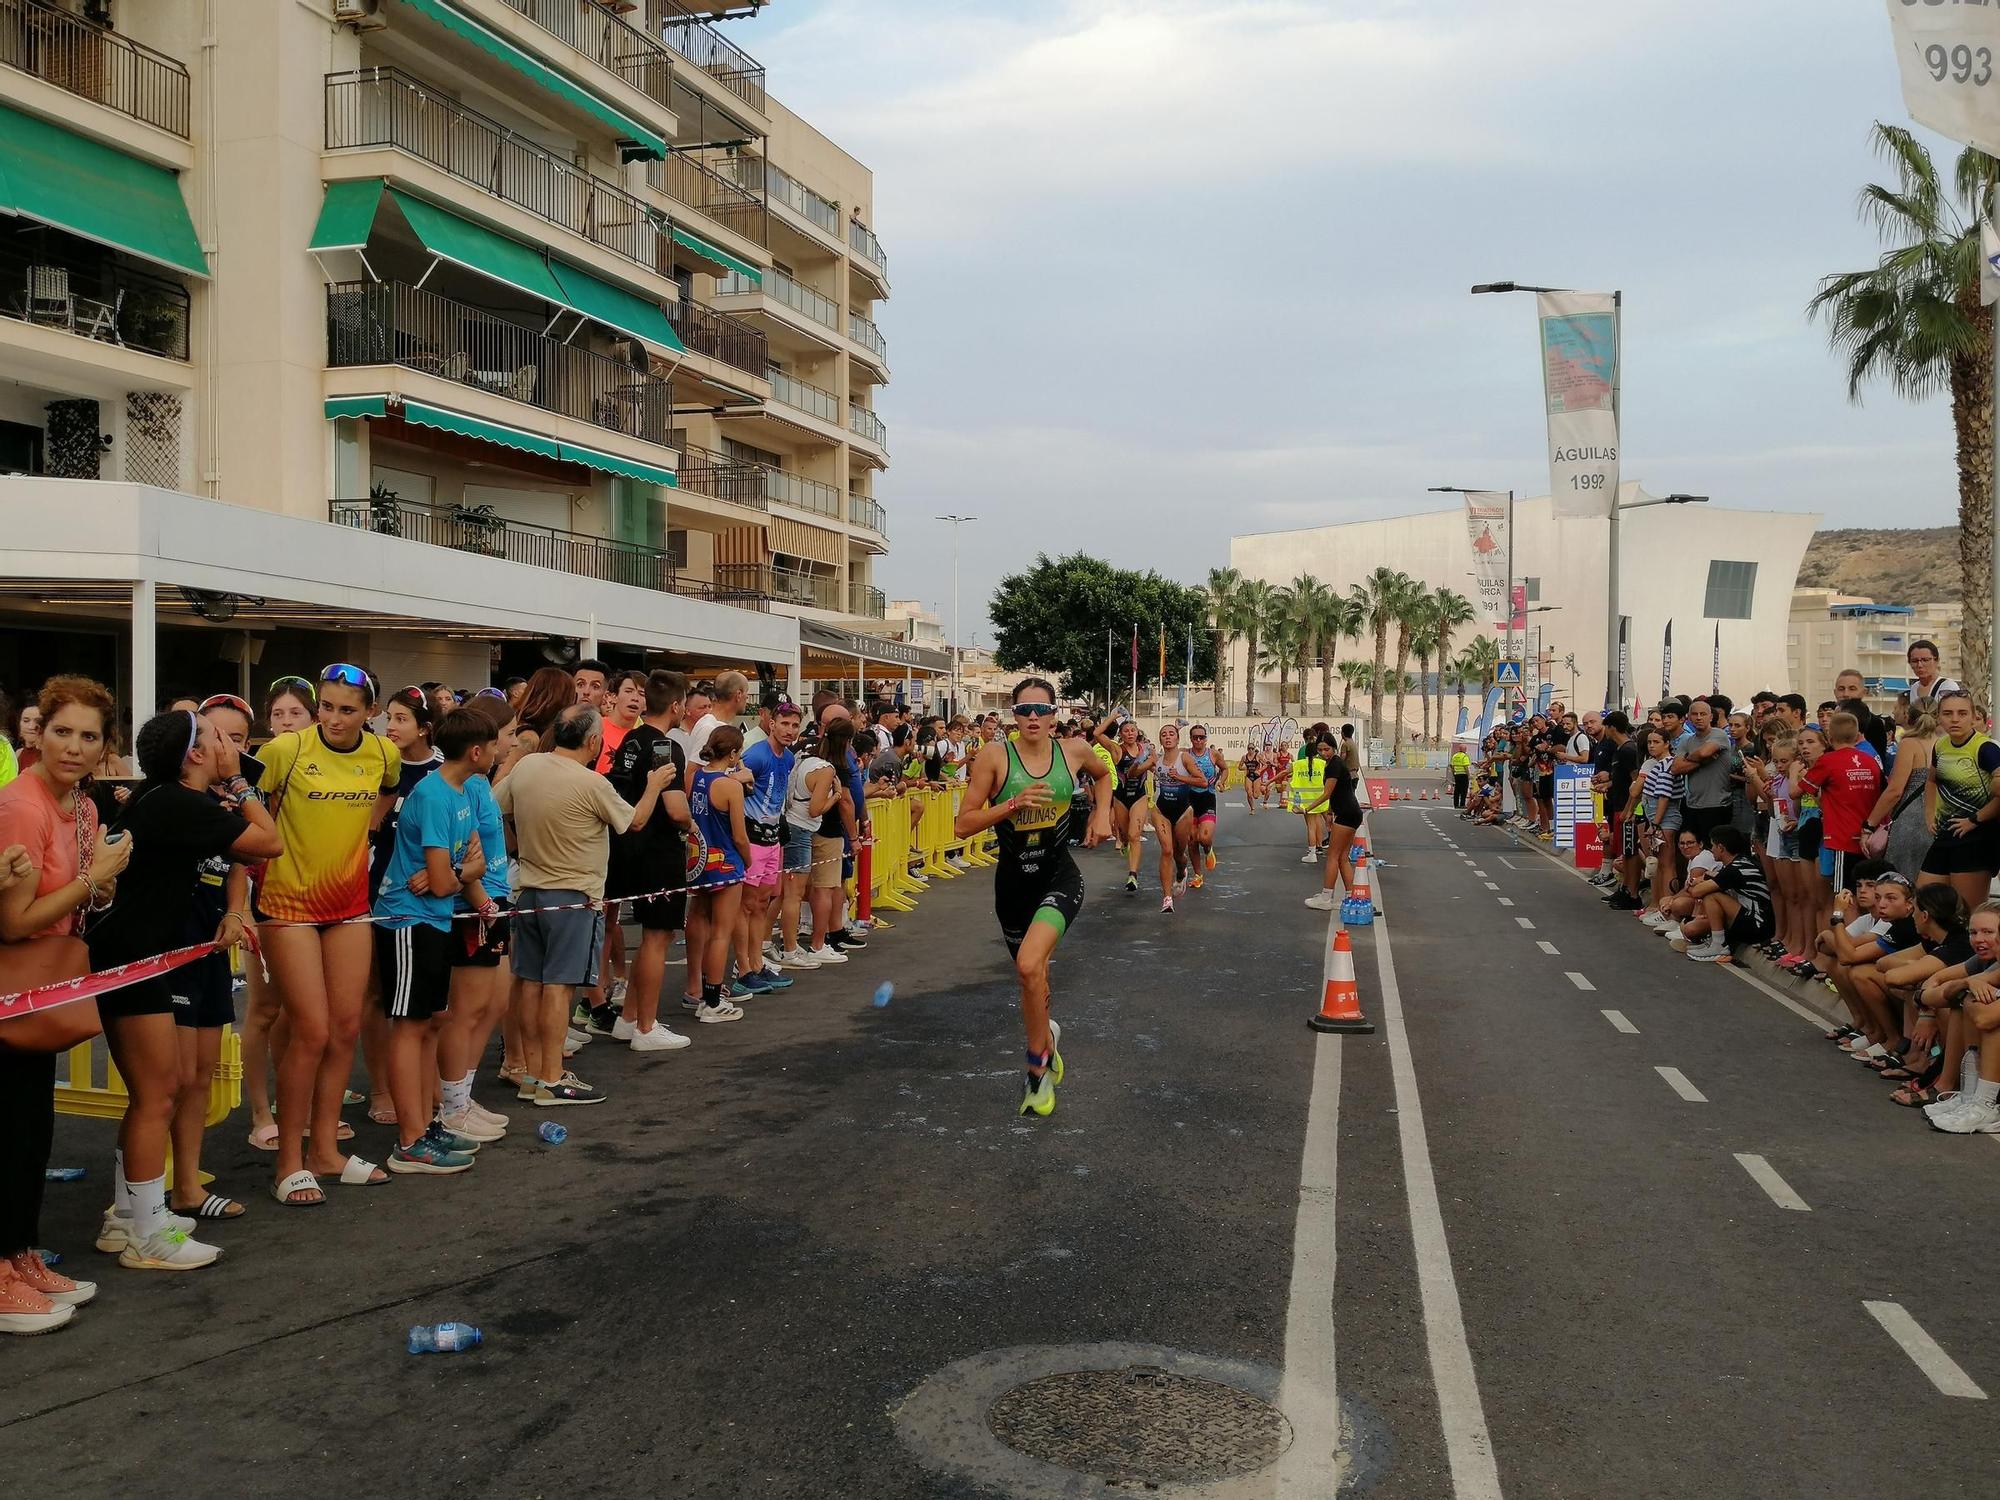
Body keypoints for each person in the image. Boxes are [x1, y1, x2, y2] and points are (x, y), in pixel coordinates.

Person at [87, 709, 281, 1258]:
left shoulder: (167, 799)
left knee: (154, 1093)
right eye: (218, 737)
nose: (229, 744)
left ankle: (129, 1216)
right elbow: (269, 842)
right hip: (136, 960)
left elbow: (242, 858)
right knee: (158, 1093)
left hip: (137, 956)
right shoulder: (178, 801)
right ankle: (149, 1235)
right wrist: (241, 782)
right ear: (194, 754)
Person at [0, 678, 135, 1327]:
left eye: (89, 736)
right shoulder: (19, 806)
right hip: (10, 985)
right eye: (62, 732)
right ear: (39, 733)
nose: (74, 747)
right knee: (8, 1133)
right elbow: (15, 922)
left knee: (31, 1133)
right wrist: (93, 880)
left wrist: (98, 890)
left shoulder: (83, 808)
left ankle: (20, 1255)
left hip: (42, 989)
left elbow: (82, 901)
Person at [258, 665, 401, 1205]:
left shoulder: (383, 755)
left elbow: (387, 794)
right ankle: (288, 1162)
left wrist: (364, 834)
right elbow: (245, 807)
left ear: (370, 713)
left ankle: (325, 1150)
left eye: (348, 709)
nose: (335, 719)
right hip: (288, 905)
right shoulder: (286, 751)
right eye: (328, 707)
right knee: (311, 1031)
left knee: (344, 1029)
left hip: (350, 905)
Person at [498, 704, 675, 1105]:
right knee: (558, 988)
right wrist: (654, 786)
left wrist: (520, 841)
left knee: (529, 983)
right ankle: (551, 1076)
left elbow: (497, 808)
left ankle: (530, 1071)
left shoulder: (527, 767)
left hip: (528, 891)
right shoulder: (591, 783)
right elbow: (634, 822)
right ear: (593, 741)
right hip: (573, 896)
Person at [952, 677, 1113, 1118]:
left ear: (1055, 714)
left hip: (1059, 877)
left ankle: (1037, 1071)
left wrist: (1101, 813)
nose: (1033, 718)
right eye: (1023, 710)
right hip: (1012, 887)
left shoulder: (1074, 751)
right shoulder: (994, 757)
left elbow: (1103, 776)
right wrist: (1011, 805)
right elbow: (962, 825)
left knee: (1028, 964)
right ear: (1013, 715)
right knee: (1031, 977)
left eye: (1041, 710)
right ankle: (1048, 1038)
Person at [370, 708, 494, 1174]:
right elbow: (446, 879)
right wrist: (465, 874)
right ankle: (409, 1141)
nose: (499, 752)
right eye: (494, 746)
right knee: (409, 1025)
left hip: (433, 920)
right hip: (406, 920)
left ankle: (424, 1124)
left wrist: (467, 883)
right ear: (477, 751)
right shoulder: (435, 794)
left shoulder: (461, 791)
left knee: (431, 1019)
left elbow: (451, 875)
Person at [596, 670, 694, 1051]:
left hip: (626, 847)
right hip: (658, 852)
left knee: (651, 938)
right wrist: (692, 824)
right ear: (675, 705)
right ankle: (647, 1027)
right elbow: (675, 809)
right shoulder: (666, 747)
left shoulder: (630, 740)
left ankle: (629, 1018)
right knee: (657, 938)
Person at [686, 724, 753, 1023]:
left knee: (698, 920)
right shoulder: (730, 786)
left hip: (699, 859)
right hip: (725, 861)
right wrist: (748, 860)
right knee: (721, 933)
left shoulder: (697, 777)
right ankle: (712, 1001)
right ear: (735, 753)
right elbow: (740, 835)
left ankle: (698, 990)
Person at [733, 702, 800, 996]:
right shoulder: (757, 754)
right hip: (751, 838)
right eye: (784, 724)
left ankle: (757, 963)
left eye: (794, 725)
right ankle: (743, 968)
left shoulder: (787, 758)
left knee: (762, 903)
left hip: (772, 838)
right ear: (771, 723)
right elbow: (731, 779)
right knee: (746, 905)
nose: (789, 730)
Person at [1914, 688, 2000, 914]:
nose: (1954, 719)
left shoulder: (1986, 748)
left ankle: (1970, 949)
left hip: (1977, 836)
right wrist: (1929, 813)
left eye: (1962, 713)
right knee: (1924, 902)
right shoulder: (1941, 746)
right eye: (1948, 713)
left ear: (1974, 716)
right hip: (1946, 832)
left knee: (1968, 911)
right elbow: (1931, 780)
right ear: (1938, 717)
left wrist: (1975, 820)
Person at [787, 717, 859, 964]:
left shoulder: (805, 754)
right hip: (825, 830)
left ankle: (792, 944)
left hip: (798, 828)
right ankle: (819, 942)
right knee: (824, 889)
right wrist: (853, 835)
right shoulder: (834, 767)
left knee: (794, 893)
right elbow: (831, 805)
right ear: (847, 741)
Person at [1796, 711, 1883, 903]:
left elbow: (1798, 791)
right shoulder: (1870, 761)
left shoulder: (1828, 760)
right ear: (1856, 734)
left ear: (1829, 737)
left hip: (1843, 837)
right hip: (1868, 837)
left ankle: (1843, 932)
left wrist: (1795, 772)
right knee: (1865, 896)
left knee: (1844, 897)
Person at [1669, 826, 1774, 963]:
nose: (1711, 849)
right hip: (1749, 917)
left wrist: (1699, 882)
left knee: (1711, 896)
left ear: (1721, 847)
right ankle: (1712, 939)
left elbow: (1697, 892)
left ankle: (1719, 945)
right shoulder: (1737, 863)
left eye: (1712, 846)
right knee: (1690, 927)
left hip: (1757, 924)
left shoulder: (1736, 868)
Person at [1303, 732, 1367, 911]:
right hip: (1350, 812)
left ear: (1334, 747)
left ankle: (1326, 897)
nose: (1323, 753)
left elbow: (1327, 794)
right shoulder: (1333, 763)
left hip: (1347, 813)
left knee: (1332, 856)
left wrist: (1307, 808)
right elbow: (1337, 793)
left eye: (1327, 749)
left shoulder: (1334, 765)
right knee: (1342, 858)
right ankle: (1350, 896)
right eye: (1320, 749)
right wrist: (1330, 814)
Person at [1149, 723, 1203, 912]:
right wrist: (1139, 766)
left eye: (1171, 734)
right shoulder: (1156, 760)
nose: (1168, 737)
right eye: (1164, 734)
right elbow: (1135, 772)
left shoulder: (1185, 758)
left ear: (1178, 739)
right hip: (1161, 809)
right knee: (1166, 851)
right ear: (1161, 739)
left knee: (1179, 853)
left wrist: (1180, 777)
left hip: (1182, 810)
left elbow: (1202, 781)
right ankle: (1167, 899)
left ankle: (1181, 872)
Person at [1103, 719, 1154, 893]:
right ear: (1121, 734)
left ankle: (1133, 875)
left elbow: (1155, 765)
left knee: (1134, 835)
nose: (1130, 733)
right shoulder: (1117, 749)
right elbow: (1096, 734)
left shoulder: (1145, 749)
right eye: (1126, 731)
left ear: (1137, 732)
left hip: (1139, 796)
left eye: (1133, 730)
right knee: (1124, 835)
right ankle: (1123, 841)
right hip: (1121, 797)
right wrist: (1113, 716)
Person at [1187, 726, 1226, 879]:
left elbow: (1224, 769)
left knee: (1204, 837)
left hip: (1207, 797)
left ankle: (1208, 849)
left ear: (1206, 739)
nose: (1198, 740)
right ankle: (1198, 875)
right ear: (1191, 739)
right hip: (1189, 797)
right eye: (1195, 737)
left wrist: (1221, 781)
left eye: (1201, 737)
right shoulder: (1185, 755)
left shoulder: (1213, 754)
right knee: (1191, 840)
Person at [1907, 638, 1961, 709]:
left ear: (1937, 661)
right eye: (1914, 661)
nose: (1919, 665)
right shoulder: (1914, 688)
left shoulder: (1947, 686)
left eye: (1925, 660)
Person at [1449, 742, 1471, 809]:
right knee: (1464, 790)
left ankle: (1456, 804)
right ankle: (1462, 804)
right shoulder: (1465, 756)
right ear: (1464, 749)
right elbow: (1466, 767)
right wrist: (1468, 775)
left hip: (1457, 775)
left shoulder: (1455, 756)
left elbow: (1452, 766)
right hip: (1464, 775)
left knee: (1457, 790)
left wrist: (1454, 773)